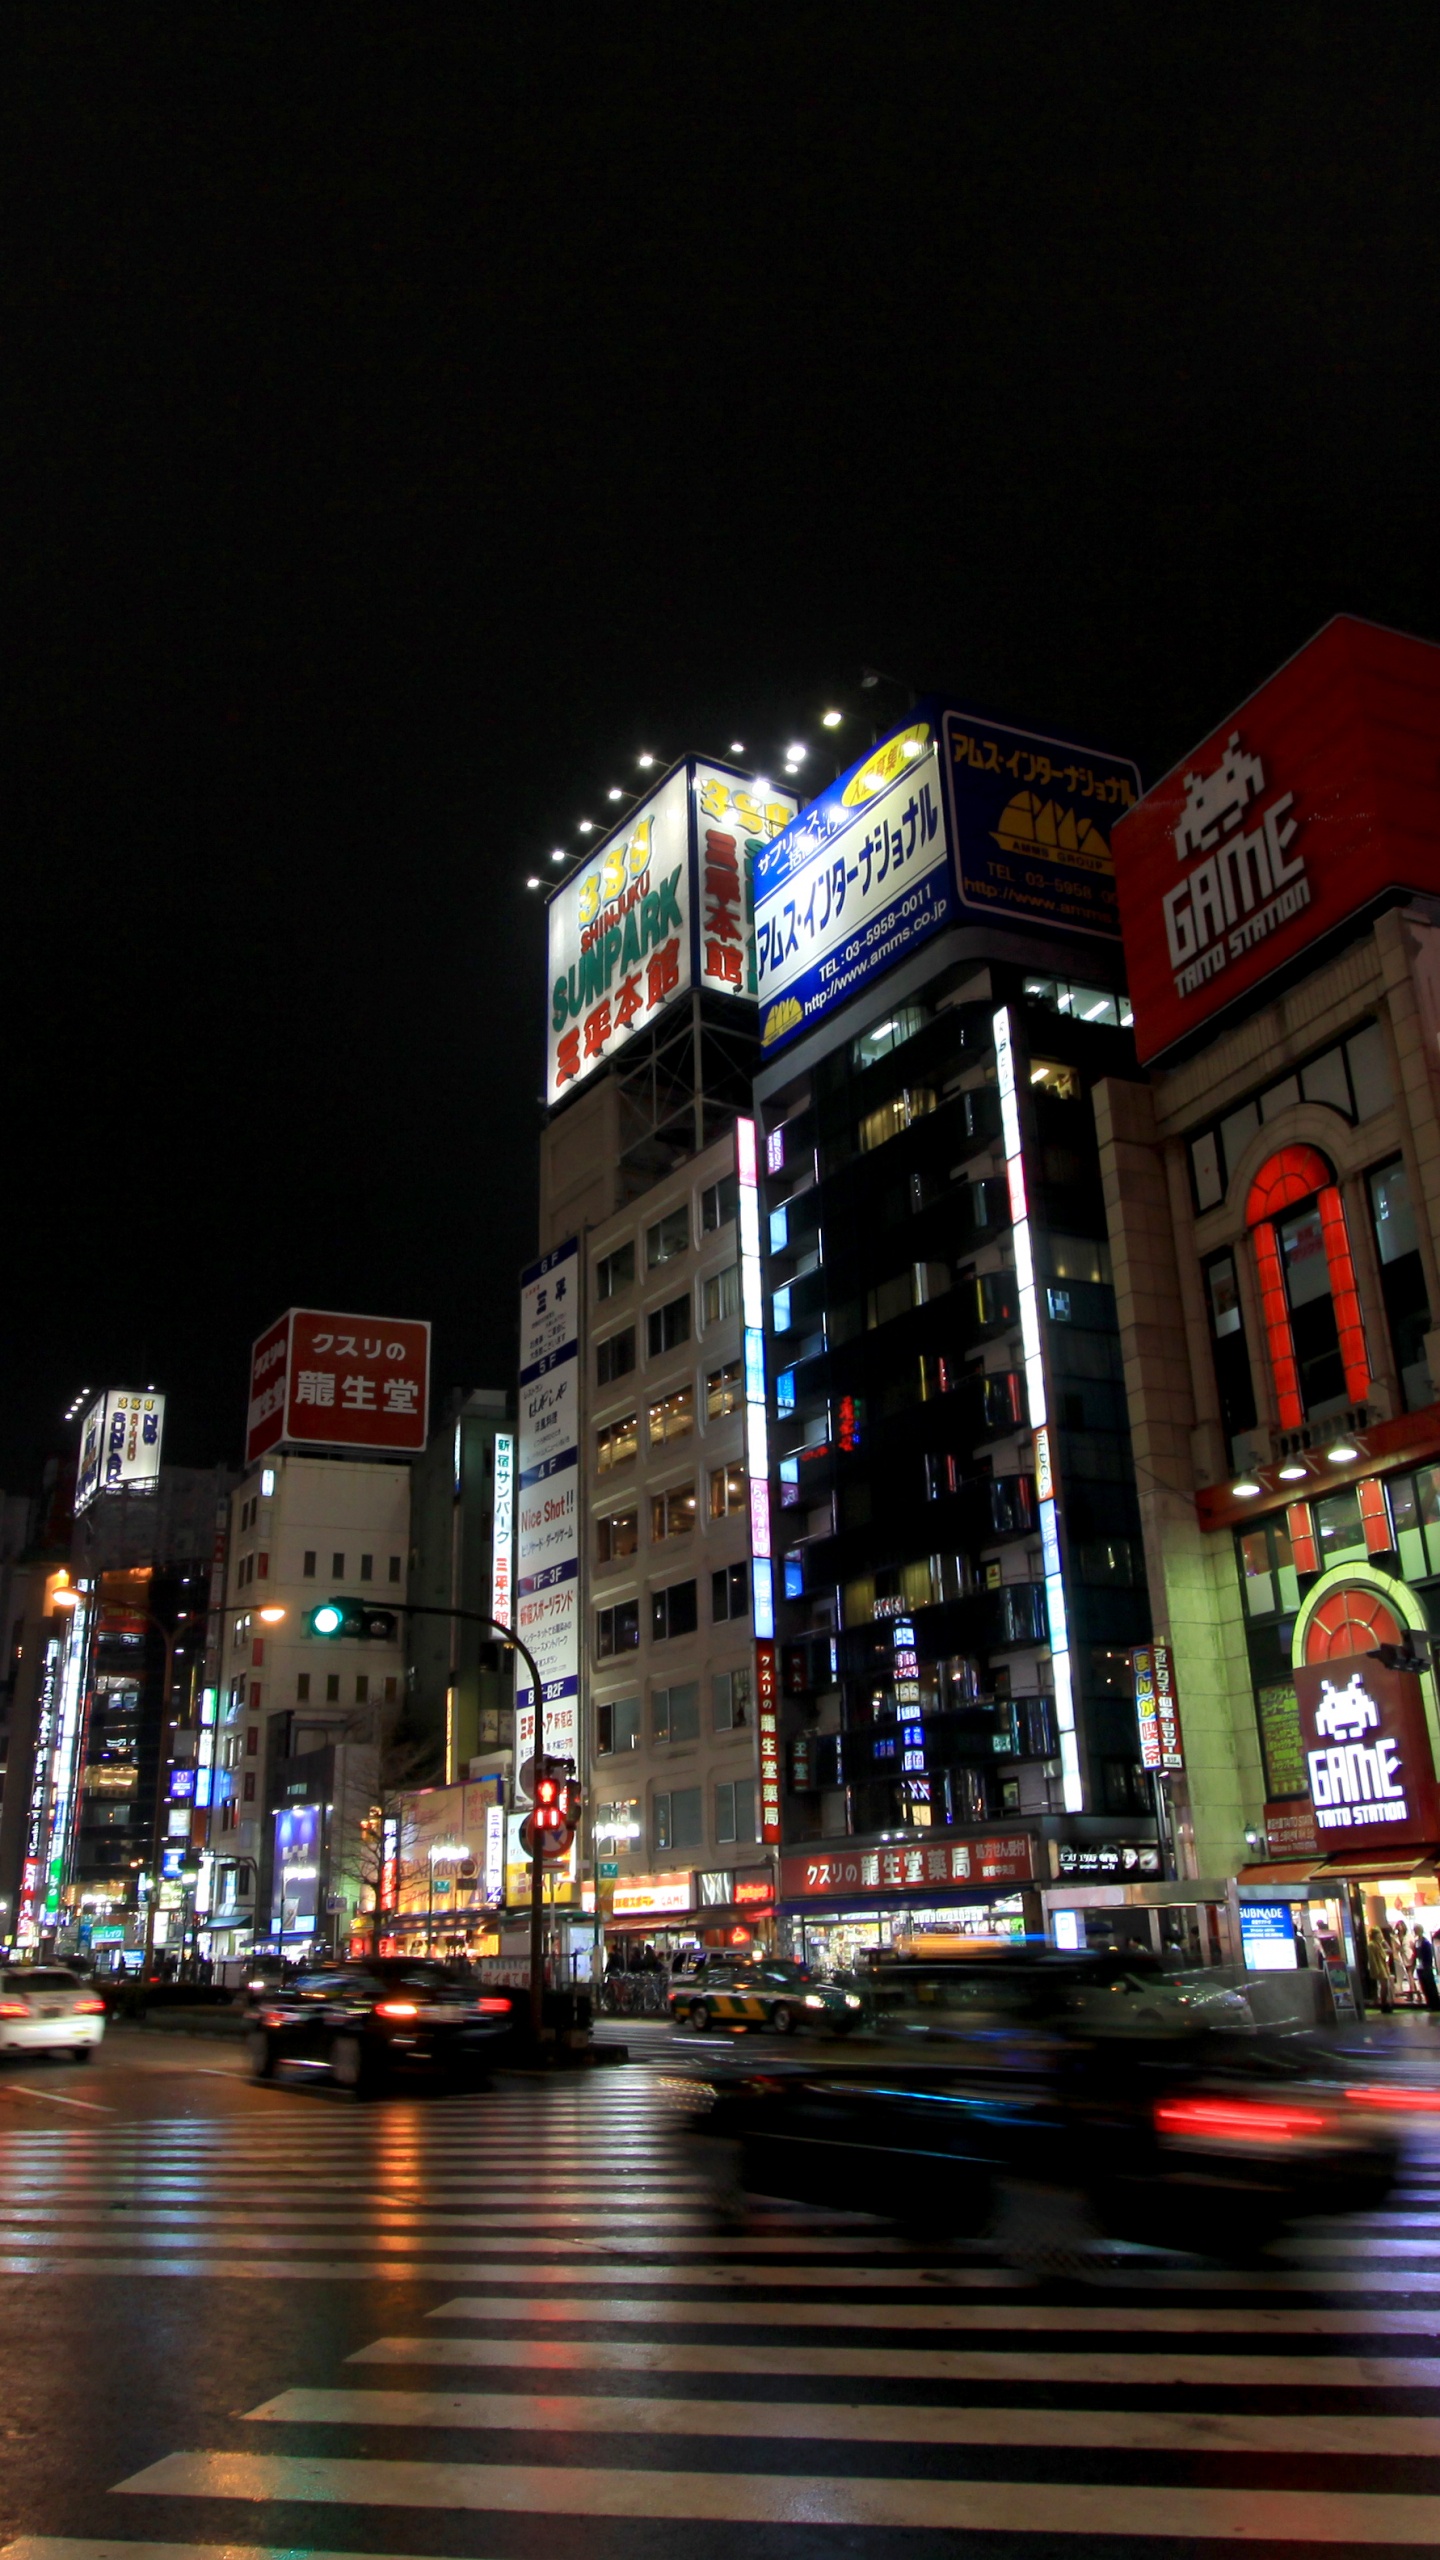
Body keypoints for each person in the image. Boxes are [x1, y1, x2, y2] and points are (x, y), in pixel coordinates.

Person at [1367, 1920, 1395, 2014]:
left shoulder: (1379, 1944)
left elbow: (1390, 1951)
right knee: (1383, 1986)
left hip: (1383, 1967)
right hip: (1379, 1968)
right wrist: (1376, 1970)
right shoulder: (1371, 1945)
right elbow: (1372, 1959)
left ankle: (1385, 2003)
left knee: (1385, 1986)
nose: (1380, 1935)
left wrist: (1384, 1942)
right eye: (1379, 1933)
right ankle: (1383, 2004)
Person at [1415, 1926, 1440, 2016]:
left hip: (1426, 1966)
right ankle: (1430, 2004)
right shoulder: (1417, 1942)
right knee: (1425, 1986)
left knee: (1430, 1986)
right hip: (1421, 1966)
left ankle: (1435, 2004)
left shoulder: (1425, 1943)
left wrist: (1428, 1965)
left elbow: (1428, 1956)